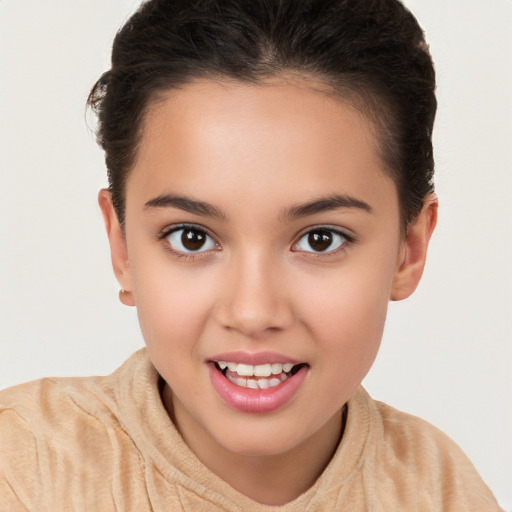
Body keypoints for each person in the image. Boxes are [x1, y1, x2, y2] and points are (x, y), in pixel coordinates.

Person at [0, 0, 504, 510]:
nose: (253, 313)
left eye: (321, 239)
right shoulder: (22, 467)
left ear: (408, 251)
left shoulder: (441, 491)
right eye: (191, 238)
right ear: (122, 246)